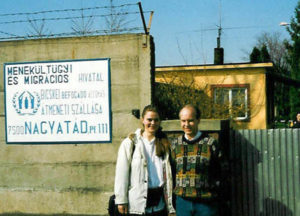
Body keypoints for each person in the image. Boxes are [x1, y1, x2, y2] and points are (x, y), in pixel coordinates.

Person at [114, 105, 175, 216]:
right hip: (138, 205)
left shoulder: (165, 143)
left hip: (159, 205)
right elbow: (121, 174)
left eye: (156, 120)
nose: (152, 123)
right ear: (142, 120)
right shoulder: (131, 143)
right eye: (149, 120)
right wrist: (121, 200)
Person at [171, 104, 222, 216]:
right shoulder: (175, 145)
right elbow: (172, 172)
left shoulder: (210, 143)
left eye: (190, 121)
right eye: (183, 121)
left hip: (206, 204)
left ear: (198, 120)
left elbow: (220, 172)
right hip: (182, 202)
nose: (186, 124)